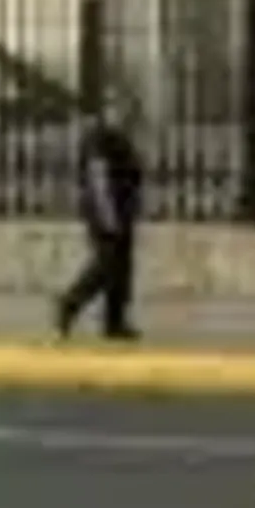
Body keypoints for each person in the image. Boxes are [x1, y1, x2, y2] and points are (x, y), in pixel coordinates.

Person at [52, 87, 146, 343]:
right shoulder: (99, 137)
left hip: (122, 211)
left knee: (122, 268)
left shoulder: (119, 136)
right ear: (108, 110)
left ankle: (114, 322)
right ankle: (69, 303)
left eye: (128, 109)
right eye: (120, 109)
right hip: (106, 211)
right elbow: (98, 179)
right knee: (106, 265)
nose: (126, 114)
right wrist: (108, 214)